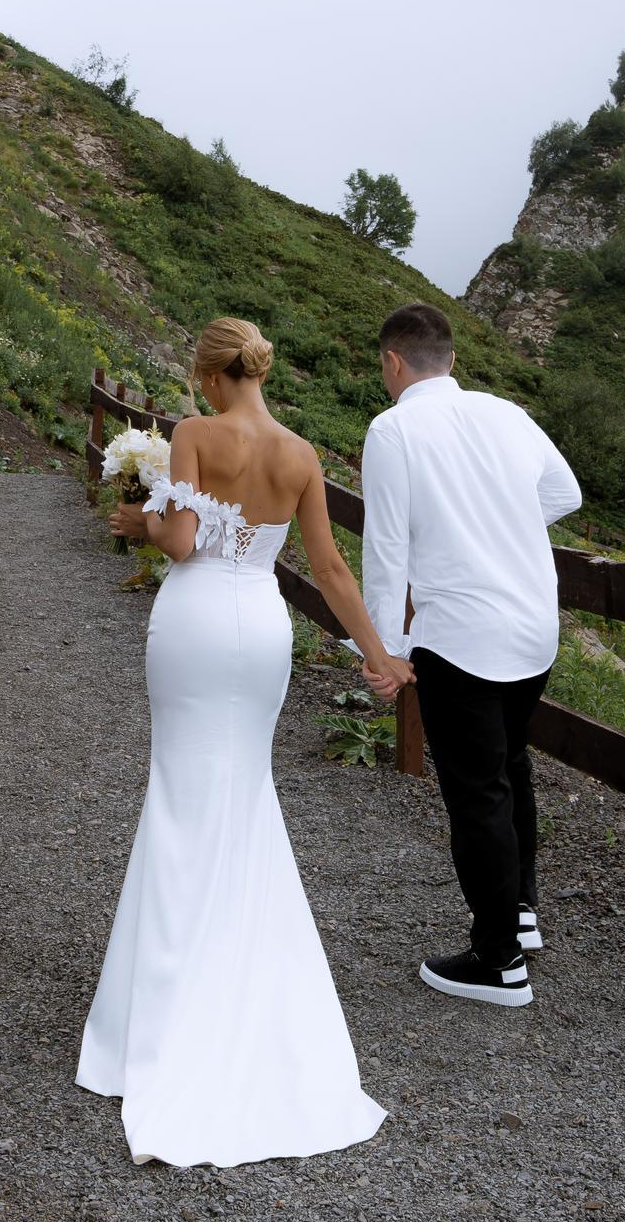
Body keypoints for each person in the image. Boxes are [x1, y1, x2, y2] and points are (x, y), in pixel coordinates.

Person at [77, 317, 411, 1166]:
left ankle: (166, 1000)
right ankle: (247, 983)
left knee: (179, 794)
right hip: (261, 626)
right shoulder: (300, 454)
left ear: (211, 376)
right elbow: (330, 569)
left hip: (195, 621)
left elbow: (183, 541)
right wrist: (380, 657)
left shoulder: (195, 433)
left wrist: (140, 518)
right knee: (244, 791)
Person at [357, 302, 580, 1007]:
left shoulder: (393, 430)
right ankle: (520, 912)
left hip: (462, 638)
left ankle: (497, 960)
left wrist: (384, 652)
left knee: (477, 791)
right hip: (533, 629)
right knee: (510, 766)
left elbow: (386, 551)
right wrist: (495, 521)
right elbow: (565, 492)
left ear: (393, 362)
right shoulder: (506, 413)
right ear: (451, 360)